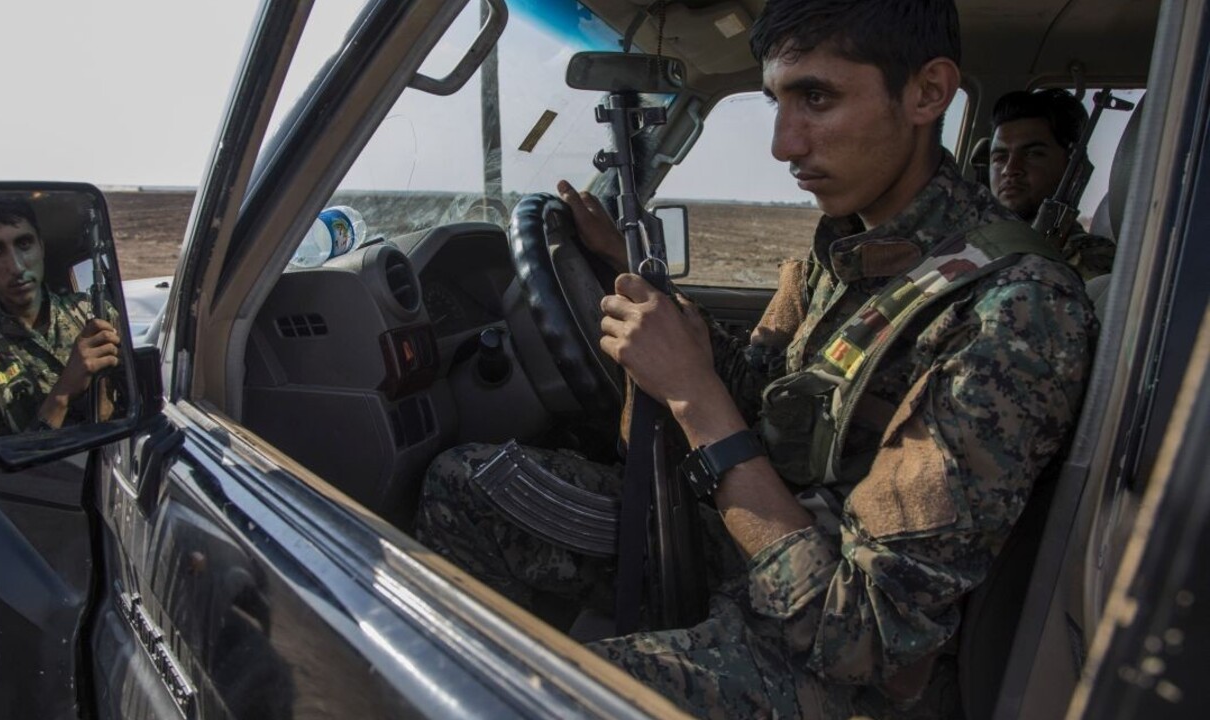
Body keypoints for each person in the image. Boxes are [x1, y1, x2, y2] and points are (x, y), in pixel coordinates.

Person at [416, 0, 1096, 717]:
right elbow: (773, 392)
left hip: (834, 648)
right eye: (777, 100)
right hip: (763, 535)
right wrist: (648, 293)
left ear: (927, 92)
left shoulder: (1013, 307)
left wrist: (692, 395)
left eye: (817, 97)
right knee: (467, 485)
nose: (782, 143)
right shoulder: (854, 246)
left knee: (520, 699)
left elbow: (864, 637)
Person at [0, 197, 121, 435]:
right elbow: (10, 459)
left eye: (24, 244)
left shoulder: (95, 315)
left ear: (41, 247)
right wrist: (63, 393)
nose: (15, 267)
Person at [989, 88, 1116, 280]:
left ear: (1072, 168)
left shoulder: (1090, 258)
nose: (1010, 169)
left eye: (1033, 154)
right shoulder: (979, 242)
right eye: (1000, 157)